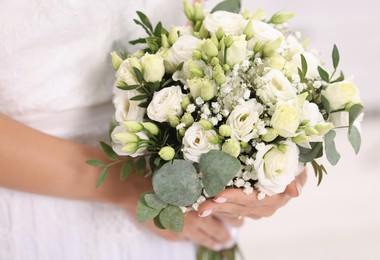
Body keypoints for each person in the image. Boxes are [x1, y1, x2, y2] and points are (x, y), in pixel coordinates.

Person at [0, 0, 307, 259]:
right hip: (39, 193)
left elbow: (194, 20)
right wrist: (134, 188)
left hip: (171, 178)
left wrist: (270, 158)